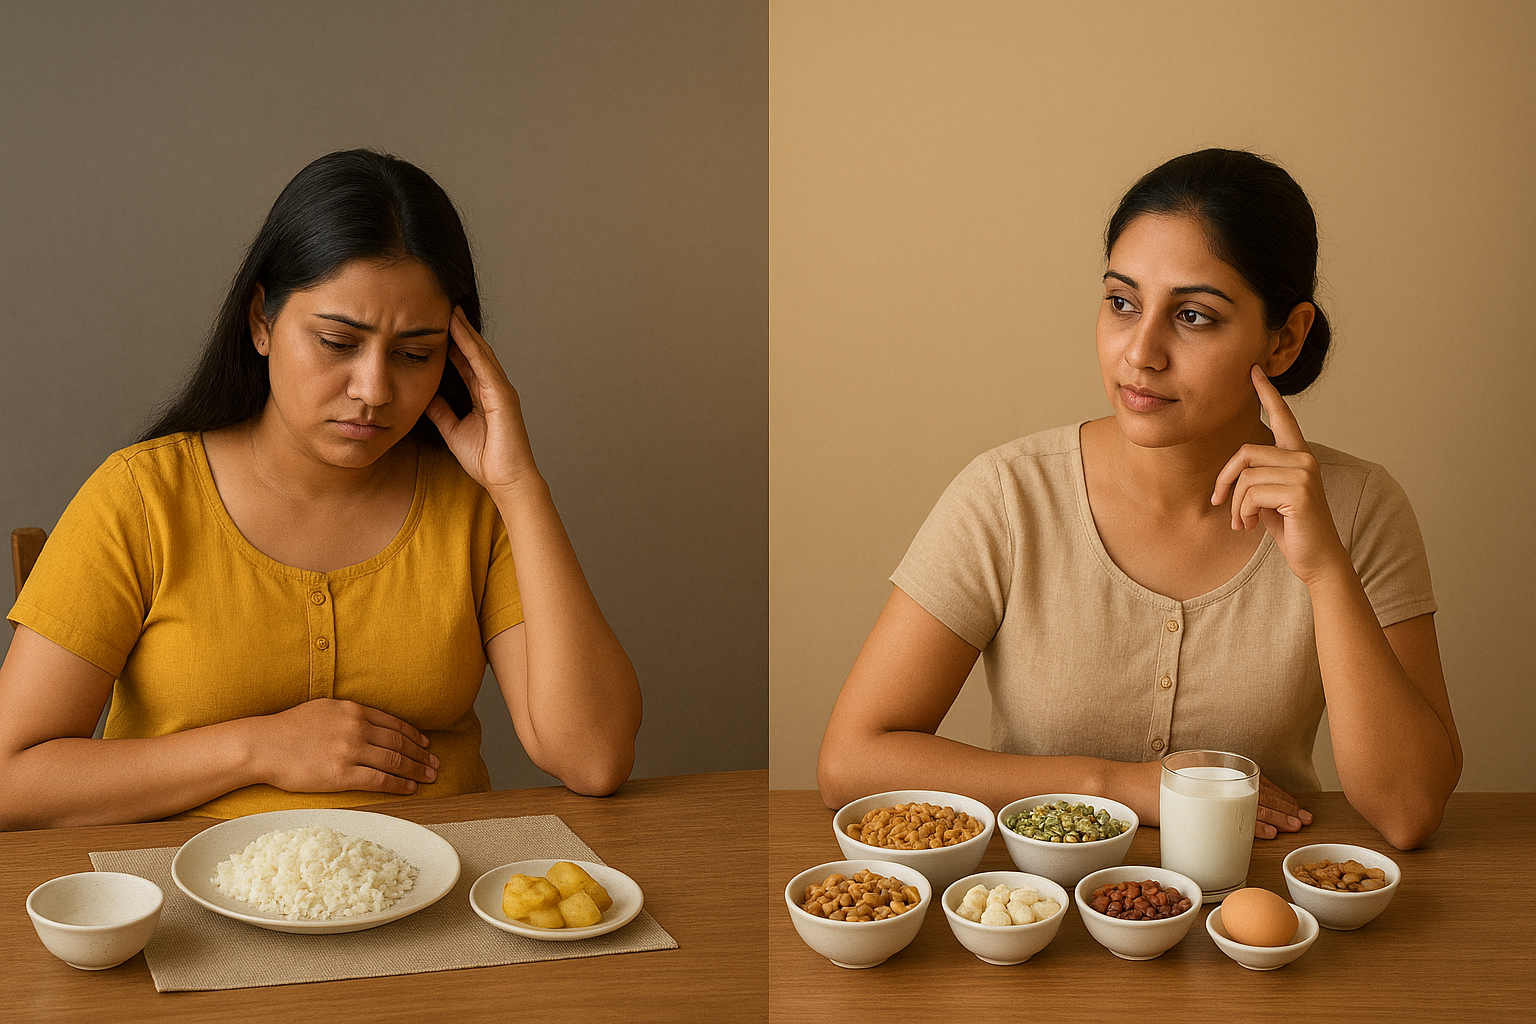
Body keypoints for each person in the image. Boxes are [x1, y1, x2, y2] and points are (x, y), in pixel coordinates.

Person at [817, 149, 1461, 851]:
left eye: (1193, 316)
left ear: (1284, 340)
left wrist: (1327, 569)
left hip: (1263, 913)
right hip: (1038, 916)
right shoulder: (1008, 495)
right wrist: (1115, 784)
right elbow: (852, 761)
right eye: (1122, 303)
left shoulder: (1360, 507)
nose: (1140, 352)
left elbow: (1409, 809)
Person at [0, 150, 642, 829]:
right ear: (262, 320)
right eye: (338, 341)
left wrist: (519, 486)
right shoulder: (141, 498)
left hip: (437, 900)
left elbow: (594, 759)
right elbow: (11, 781)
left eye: (415, 354)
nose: (374, 390)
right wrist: (255, 748)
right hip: (191, 906)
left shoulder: (473, 502)